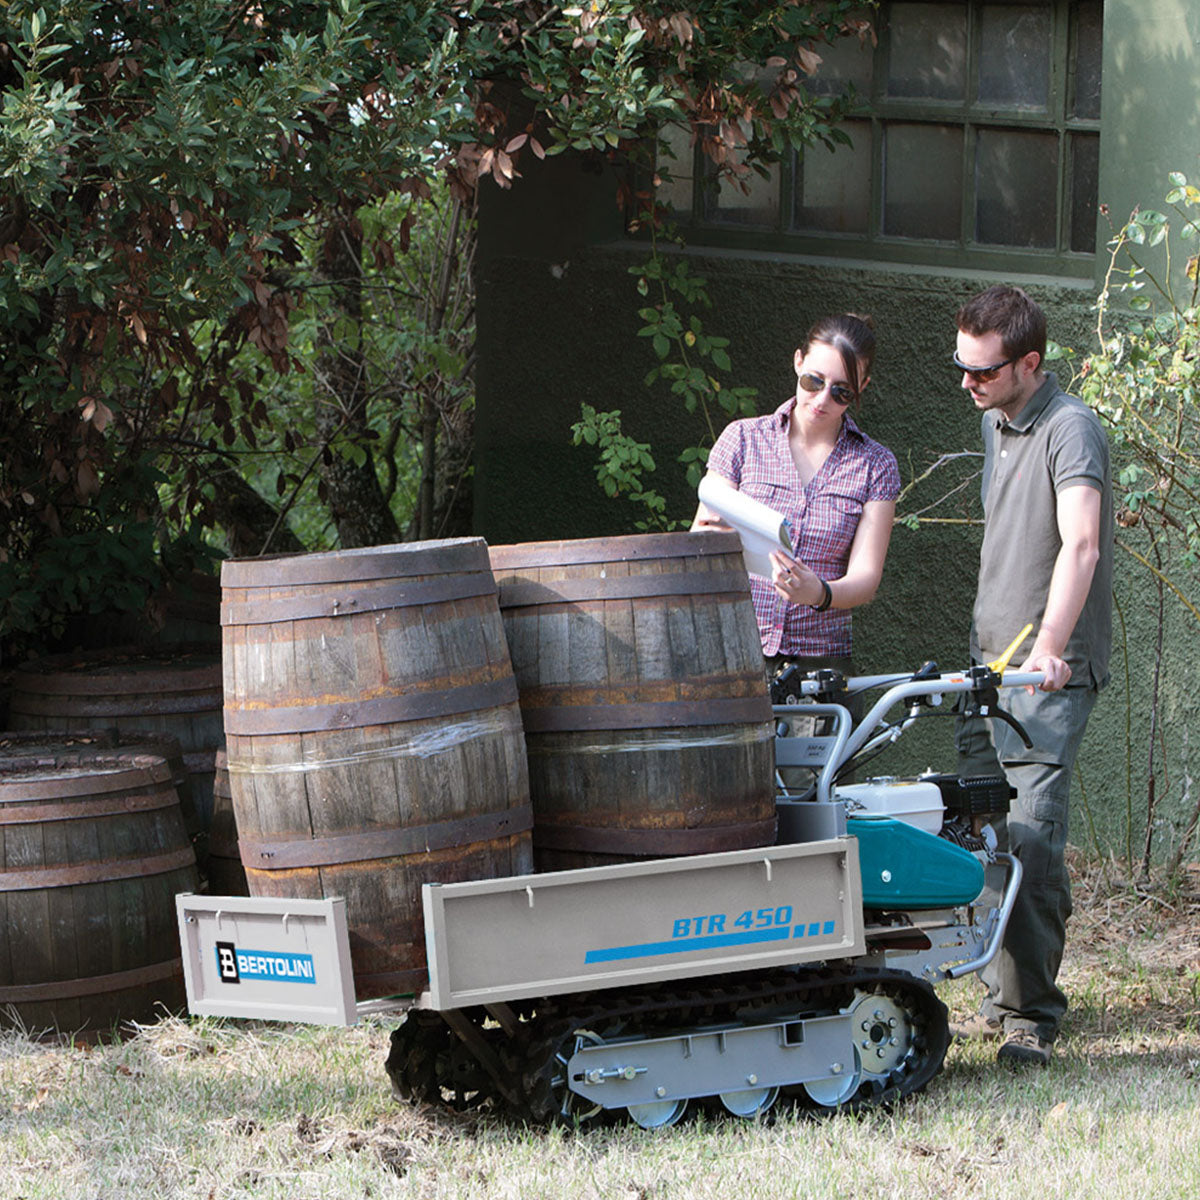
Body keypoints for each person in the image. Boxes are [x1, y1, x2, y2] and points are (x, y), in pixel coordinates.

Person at [950, 284, 1113, 1067]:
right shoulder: (999, 423)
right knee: (987, 829)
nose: (968, 385)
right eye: (963, 368)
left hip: (1046, 674)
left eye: (982, 372)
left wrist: (1050, 645)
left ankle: (1031, 1016)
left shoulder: (1070, 429)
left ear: (1029, 363)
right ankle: (1001, 990)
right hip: (989, 664)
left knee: (1031, 838)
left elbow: (1080, 545)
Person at [691, 313, 900, 688]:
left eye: (841, 392)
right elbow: (698, 541)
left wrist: (819, 593)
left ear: (862, 388)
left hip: (819, 662)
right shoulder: (742, 439)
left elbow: (866, 579)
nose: (822, 400)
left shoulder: (875, 464)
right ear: (798, 361)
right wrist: (713, 537)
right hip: (733, 648)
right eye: (813, 381)